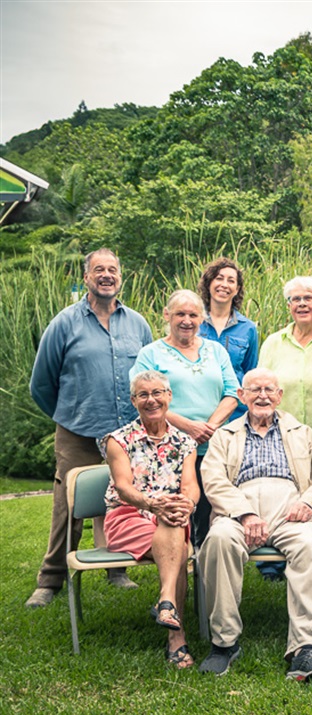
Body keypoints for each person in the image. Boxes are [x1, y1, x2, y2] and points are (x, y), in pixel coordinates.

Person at [26, 249, 153, 608]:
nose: (107, 275)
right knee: (68, 504)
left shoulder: (137, 324)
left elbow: (146, 375)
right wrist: (69, 415)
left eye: (113, 269)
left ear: (120, 277)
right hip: (78, 431)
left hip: (125, 434)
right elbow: (41, 384)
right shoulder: (64, 323)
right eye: (99, 269)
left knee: (122, 498)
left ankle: (116, 568)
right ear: (87, 277)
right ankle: (50, 579)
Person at [198, 369, 312, 682]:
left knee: (309, 544)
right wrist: (244, 514)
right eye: (255, 390)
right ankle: (224, 642)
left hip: (290, 505)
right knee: (220, 539)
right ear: (243, 396)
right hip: (238, 507)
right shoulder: (225, 435)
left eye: (269, 390)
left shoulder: (300, 432)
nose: (262, 395)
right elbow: (214, 481)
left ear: (279, 396)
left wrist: (308, 503)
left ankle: (306, 648)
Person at [100, 370, 198, 668]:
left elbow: (191, 485)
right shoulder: (118, 440)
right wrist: (153, 504)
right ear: (133, 400)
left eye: (158, 393)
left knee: (174, 523)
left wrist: (188, 504)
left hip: (170, 516)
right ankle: (176, 637)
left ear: (169, 396)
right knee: (177, 545)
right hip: (127, 516)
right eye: (143, 395)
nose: (151, 400)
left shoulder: (185, 441)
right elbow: (123, 487)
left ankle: (166, 604)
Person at [132, 290, 239, 546]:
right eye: (180, 314)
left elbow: (233, 392)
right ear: (167, 315)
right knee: (176, 512)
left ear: (202, 319)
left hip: (212, 446)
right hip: (168, 447)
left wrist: (210, 427)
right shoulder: (151, 354)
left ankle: (204, 569)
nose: (187, 320)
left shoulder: (215, 351)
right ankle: (176, 567)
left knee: (208, 511)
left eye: (193, 314)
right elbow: (145, 398)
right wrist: (188, 427)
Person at [258, 277, 312, 456]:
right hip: (282, 445)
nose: (302, 304)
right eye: (296, 299)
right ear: (289, 306)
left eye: (309, 298)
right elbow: (260, 393)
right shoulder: (273, 343)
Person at [198, 257, 259, 419]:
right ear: (209, 283)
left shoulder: (248, 328)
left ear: (237, 289)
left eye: (231, 281)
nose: (224, 284)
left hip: (236, 413)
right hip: (199, 410)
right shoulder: (193, 323)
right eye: (219, 278)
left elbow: (249, 373)